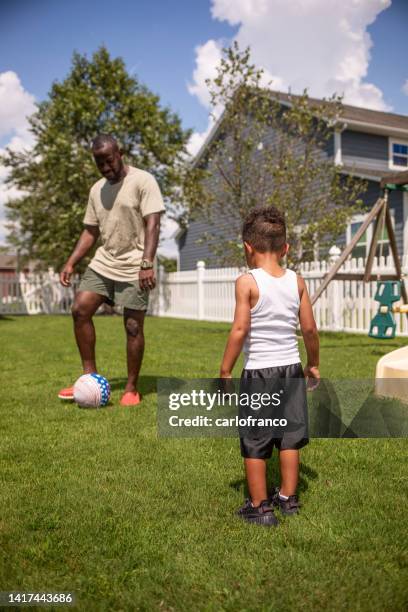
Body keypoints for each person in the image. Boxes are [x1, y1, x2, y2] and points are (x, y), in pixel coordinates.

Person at [219, 206, 320, 526]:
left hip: (259, 373)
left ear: (248, 248)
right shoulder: (297, 281)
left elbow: (239, 330)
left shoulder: (247, 282)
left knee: (255, 438)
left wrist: (224, 370)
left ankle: (259, 507)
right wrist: (313, 364)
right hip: (291, 368)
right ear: (286, 248)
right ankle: (289, 499)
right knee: (290, 436)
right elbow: (310, 330)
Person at [59, 134, 165, 406]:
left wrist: (147, 263)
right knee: (80, 309)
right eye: (99, 163)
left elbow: (153, 224)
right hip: (105, 262)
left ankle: (131, 388)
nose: (105, 167)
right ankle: (88, 378)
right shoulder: (96, 190)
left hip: (135, 265)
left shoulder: (143, 181)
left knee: (132, 326)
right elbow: (90, 231)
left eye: (109, 160)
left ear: (120, 153)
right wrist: (71, 262)